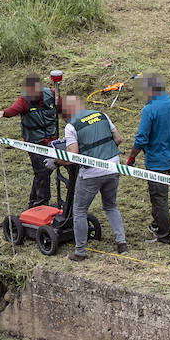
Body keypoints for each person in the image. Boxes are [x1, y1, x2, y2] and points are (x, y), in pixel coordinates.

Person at [125, 73, 170, 245]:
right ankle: (157, 224)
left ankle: (163, 236)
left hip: (157, 163)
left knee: (159, 199)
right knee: (160, 195)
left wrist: (131, 157)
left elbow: (141, 139)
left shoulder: (149, 110)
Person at [60, 94, 129, 261]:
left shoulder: (71, 126)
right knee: (111, 206)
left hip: (91, 173)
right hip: (113, 166)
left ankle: (80, 252)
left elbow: (72, 156)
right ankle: (122, 243)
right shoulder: (101, 114)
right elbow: (118, 139)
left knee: (79, 210)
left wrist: (55, 161)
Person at [0, 73, 59, 208]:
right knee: (42, 171)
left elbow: (62, 104)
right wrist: (3, 113)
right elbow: (13, 110)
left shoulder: (51, 94)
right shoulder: (23, 100)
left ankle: (33, 202)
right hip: (34, 143)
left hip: (51, 141)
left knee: (44, 172)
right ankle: (41, 202)